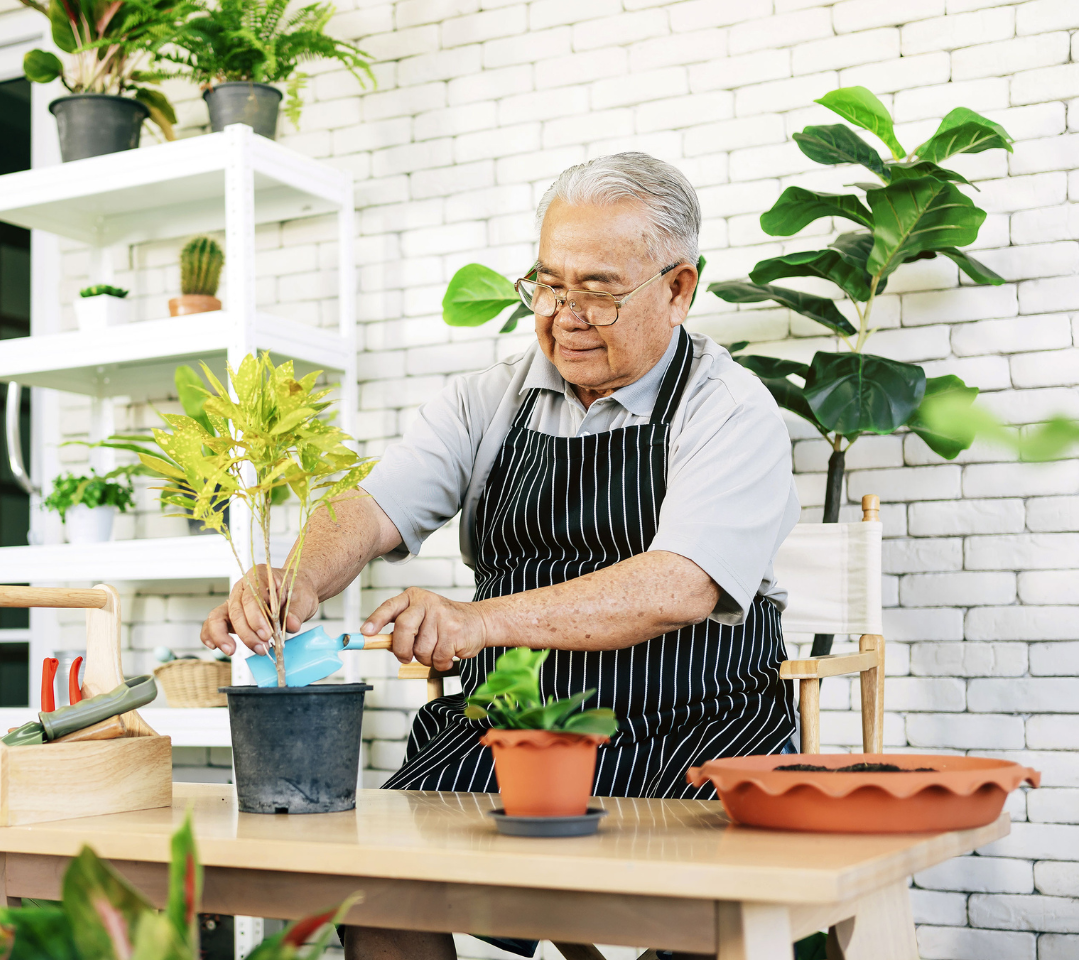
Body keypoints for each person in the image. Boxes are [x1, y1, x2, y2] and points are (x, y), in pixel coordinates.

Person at [199, 152, 800, 960]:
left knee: (693, 920)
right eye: (549, 285)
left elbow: (679, 586)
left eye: (599, 290)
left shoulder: (727, 408)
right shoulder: (489, 399)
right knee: (375, 889)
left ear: (679, 289)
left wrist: (476, 621)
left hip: (689, 734)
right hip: (509, 733)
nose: (566, 315)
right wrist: (294, 574)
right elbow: (370, 509)